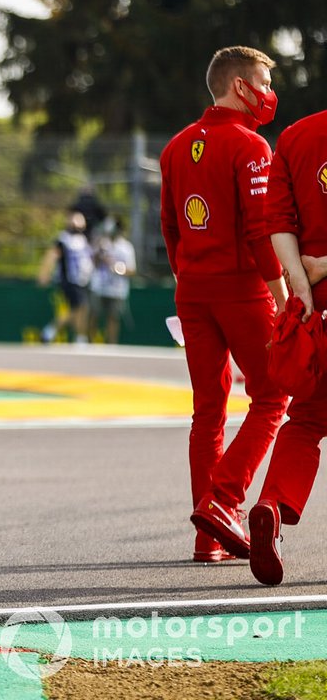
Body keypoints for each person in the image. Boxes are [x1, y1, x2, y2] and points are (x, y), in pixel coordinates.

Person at [159, 45, 288, 563]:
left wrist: (188, 275)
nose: (268, 93)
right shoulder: (252, 146)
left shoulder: (175, 146)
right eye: (262, 82)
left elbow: (169, 227)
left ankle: (207, 537)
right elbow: (261, 232)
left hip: (192, 289)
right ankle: (223, 501)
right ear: (241, 87)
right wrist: (282, 297)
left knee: (207, 412)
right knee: (273, 398)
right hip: (244, 290)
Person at [247, 106, 327, 585]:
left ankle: (272, 505)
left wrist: (301, 282)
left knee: (306, 422)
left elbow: (276, 218)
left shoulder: (296, 136)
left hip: (315, 309)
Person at [38, 210, 94, 344]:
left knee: (78, 310)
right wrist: (44, 274)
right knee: (81, 308)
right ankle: (54, 332)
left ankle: (74, 336)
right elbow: (51, 256)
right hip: (69, 280)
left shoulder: (82, 240)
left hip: (81, 280)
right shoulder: (63, 239)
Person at [88, 214, 137, 344]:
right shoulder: (102, 243)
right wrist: (100, 253)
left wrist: (117, 268)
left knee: (113, 317)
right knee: (94, 315)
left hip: (117, 289)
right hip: (99, 287)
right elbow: (93, 262)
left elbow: (132, 270)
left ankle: (111, 344)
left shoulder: (126, 247)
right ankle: (90, 343)